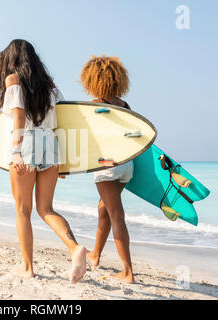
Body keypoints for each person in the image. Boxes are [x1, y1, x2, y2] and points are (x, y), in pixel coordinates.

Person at [0, 39, 87, 283]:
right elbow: (65, 119)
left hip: (27, 144)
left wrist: (16, 151)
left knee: (23, 211)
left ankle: (27, 267)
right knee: (46, 209)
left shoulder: (13, 81)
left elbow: (20, 116)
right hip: (52, 144)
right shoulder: (50, 87)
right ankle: (74, 248)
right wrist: (65, 163)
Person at [80, 55, 135, 283]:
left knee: (116, 215)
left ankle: (128, 272)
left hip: (106, 166)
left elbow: (84, 137)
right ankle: (95, 255)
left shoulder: (94, 106)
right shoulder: (124, 106)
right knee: (104, 209)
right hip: (127, 165)